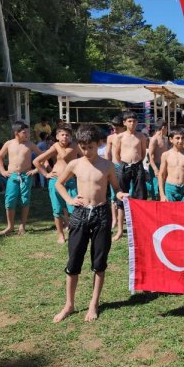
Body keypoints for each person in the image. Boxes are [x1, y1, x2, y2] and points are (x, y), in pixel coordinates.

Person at [52, 124, 128, 323]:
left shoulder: (107, 165)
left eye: (91, 147)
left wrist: (120, 194)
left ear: (99, 144)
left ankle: (94, 303)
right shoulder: (75, 164)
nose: (87, 152)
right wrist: (69, 200)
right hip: (80, 215)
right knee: (74, 260)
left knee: (99, 262)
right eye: (83, 148)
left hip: (102, 215)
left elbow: (116, 188)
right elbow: (59, 183)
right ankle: (69, 304)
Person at [33, 124, 82, 244]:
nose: (65, 137)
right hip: (56, 181)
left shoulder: (75, 146)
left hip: (70, 181)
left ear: (71, 136)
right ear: (57, 136)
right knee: (57, 210)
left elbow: (79, 156)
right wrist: (46, 174)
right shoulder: (54, 148)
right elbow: (36, 161)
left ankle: (76, 233)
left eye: (67, 135)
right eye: (62, 135)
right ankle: (60, 234)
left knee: (76, 207)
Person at [0, 121, 43, 235]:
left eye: (28, 132)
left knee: (24, 200)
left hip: (25, 175)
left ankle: (22, 225)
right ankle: (10, 226)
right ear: (16, 133)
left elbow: (42, 156)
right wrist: (2, 170)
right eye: (24, 132)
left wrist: (36, 170)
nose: (27, 134)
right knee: (10, 200)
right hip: (12, 175)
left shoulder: (30, 144)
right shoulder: (9, 143)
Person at [112, 111, 147, 241]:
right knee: (121, 197)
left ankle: (140, 228)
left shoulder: (141, 136)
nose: (132, 124)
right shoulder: (120, 137)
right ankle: (120, 230)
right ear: (125, 123)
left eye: (134, 121)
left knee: (140, 197)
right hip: (124, 166)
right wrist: (124, 164)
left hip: (137, 166)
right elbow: (116, 153)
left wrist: (136, 163)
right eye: (129, 121)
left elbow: (143, 153)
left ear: (137, 122)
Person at [158, 126, 184, 202]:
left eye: (182, 138)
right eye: (177, 138)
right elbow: (161, 174)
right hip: (170, 188)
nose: (180, 140)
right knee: (170, 212)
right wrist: (162, 195)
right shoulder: (166, 155)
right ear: (171, 139)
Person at [105, 115, 126, 237]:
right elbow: (107, 153)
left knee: (126, 194)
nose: (115, 130)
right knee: (114, 196)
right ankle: (115, 219)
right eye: (113, 128)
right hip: (115, 166)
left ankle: (125, 219)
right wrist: (107, 168)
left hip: (126, 166)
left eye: (117, 128)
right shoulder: (111, 137)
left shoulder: (127, 137)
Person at [147, 119, 169, 200]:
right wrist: (155, 169)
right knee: (156, 190)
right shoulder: (154, 139)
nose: (167, 130)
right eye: (167, 128)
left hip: (164, 166)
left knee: (163, 187)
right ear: (163, 127)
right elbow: (150, 155)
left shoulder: (165, 139)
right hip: (156, 165)